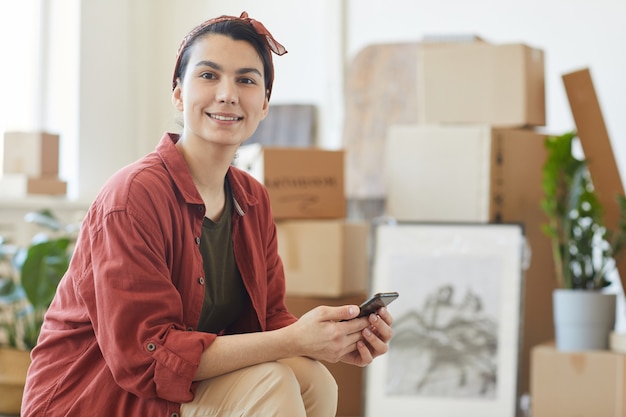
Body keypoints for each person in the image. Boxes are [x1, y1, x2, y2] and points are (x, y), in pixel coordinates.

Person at [21, 11, 393, 417]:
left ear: (265, 103)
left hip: (174, 392)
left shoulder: (252, 198)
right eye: (209, 76)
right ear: (179, 93)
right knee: (273, 381)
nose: (227, 94)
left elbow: (268, 321)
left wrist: (333, 339)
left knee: (312, 376)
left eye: (247, 80)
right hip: (100, 400)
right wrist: (295, 341)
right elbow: (145, 357)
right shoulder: (132, 198)